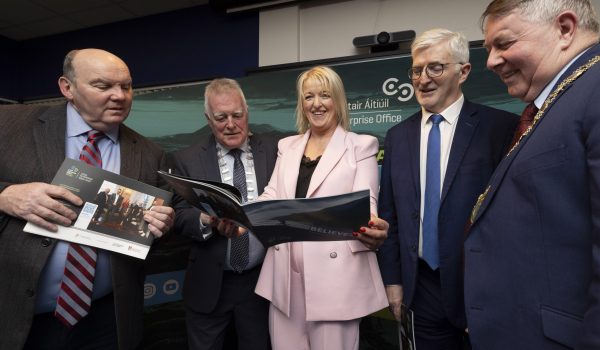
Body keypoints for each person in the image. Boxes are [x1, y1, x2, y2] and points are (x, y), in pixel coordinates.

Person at [0, 48, 175, 349]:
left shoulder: (150, 153)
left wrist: (161, 225)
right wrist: (4, 195)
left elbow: (148, 235)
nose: (119, 96)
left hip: (106, 318)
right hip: (15, 314)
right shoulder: (9, 124)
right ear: (67, 88)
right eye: (103, 86)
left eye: (126, 86)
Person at [464, 1, 600, 349]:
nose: (491, 61)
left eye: (504, 44)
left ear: (565, 28)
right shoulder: (558, 100)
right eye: (489, 49)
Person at [376, 29, 518, 350]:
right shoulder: (398, 136)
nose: (423, 78)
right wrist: (394, 281)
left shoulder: (500, 129)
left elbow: (510, 219)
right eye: (416, 70)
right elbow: (391, 216)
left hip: (480, 289)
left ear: (463, 71)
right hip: (420, 288)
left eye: (435, 67)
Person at [253, 65, 389, 350]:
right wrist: (241, 212)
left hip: (335, 281)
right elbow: (271, 195)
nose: (316, 104)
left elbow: (367, 203)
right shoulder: (286, 146)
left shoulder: (361, 146)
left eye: (324, 95)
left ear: (337, 100)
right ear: (301, 104)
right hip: (284, 282)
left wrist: (372, 224)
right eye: (308, 97)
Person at [172, 78, 278, 350]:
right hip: (209, 283)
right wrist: (208, 221)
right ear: (208, 119)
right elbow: (180, 213)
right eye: (221, 117)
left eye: (237, 115)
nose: (230, 124)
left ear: (247, 113)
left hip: (262, 281)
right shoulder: (186, 159)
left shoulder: (277, 151)